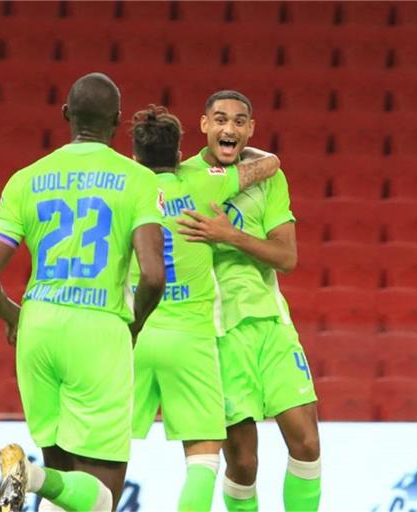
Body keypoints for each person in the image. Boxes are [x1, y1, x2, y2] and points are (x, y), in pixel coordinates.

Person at [0, 72, 165, 512]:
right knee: (102, 498)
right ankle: (31, 475)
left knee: (67, 488)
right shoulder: (137, 180)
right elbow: (153, 276)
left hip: (38, 329)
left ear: (65, 115)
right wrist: (134, 325)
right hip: (97, 331)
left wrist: (14, 316)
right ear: (117, 122)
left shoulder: (25, 179)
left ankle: (36, 475)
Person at [128, 105, 279, 512]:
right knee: (203, 459)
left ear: (134, 158)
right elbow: (266, 166)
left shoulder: (126, 191)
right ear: (180, 156)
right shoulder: (204, 187)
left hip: (134, 336)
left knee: (101, 454)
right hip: (191, 341)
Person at [177, 90, 321, 512]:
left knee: (308, 442)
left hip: (272, 328)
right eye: (220, 119)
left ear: (250, 130)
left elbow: (287, 257)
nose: (229, 128)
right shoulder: (184, 180)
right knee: (243, 462)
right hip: (216, 335)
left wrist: (229, 236)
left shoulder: (269, 177)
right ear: (204, 125)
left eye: (239, 122)